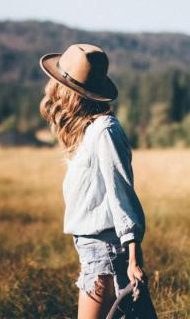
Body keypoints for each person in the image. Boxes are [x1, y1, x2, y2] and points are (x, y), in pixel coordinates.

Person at [38, 44, 149, 318]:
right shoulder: (88, 131)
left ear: (67, 91)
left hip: (105, 253)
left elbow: (122, 193)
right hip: (94, 251)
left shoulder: (104, 131)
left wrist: (133, 258)